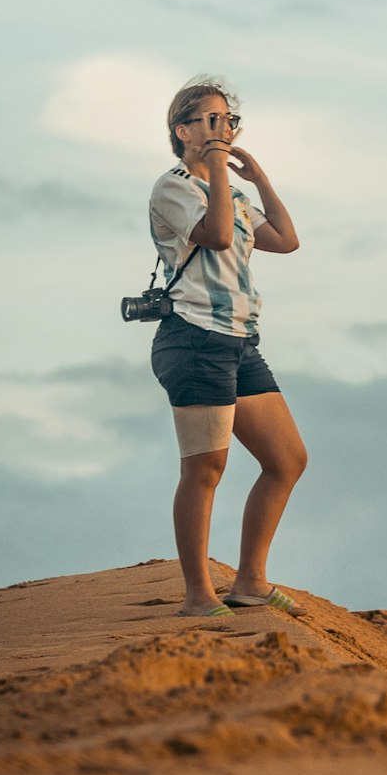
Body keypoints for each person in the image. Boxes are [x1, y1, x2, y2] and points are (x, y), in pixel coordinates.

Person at [149, 76, 307, 618]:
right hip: (193, 337)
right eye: (211, 121)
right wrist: (217, 169)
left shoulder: (236, 195)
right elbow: (215, 236)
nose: (223, 130)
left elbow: (286, 240)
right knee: (205, 468)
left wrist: (258, 177)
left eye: (228, 121)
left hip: (238, 338)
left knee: (286, 460)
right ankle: (198, 595)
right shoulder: (172, 187)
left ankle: (250, 581)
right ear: (182, 129)